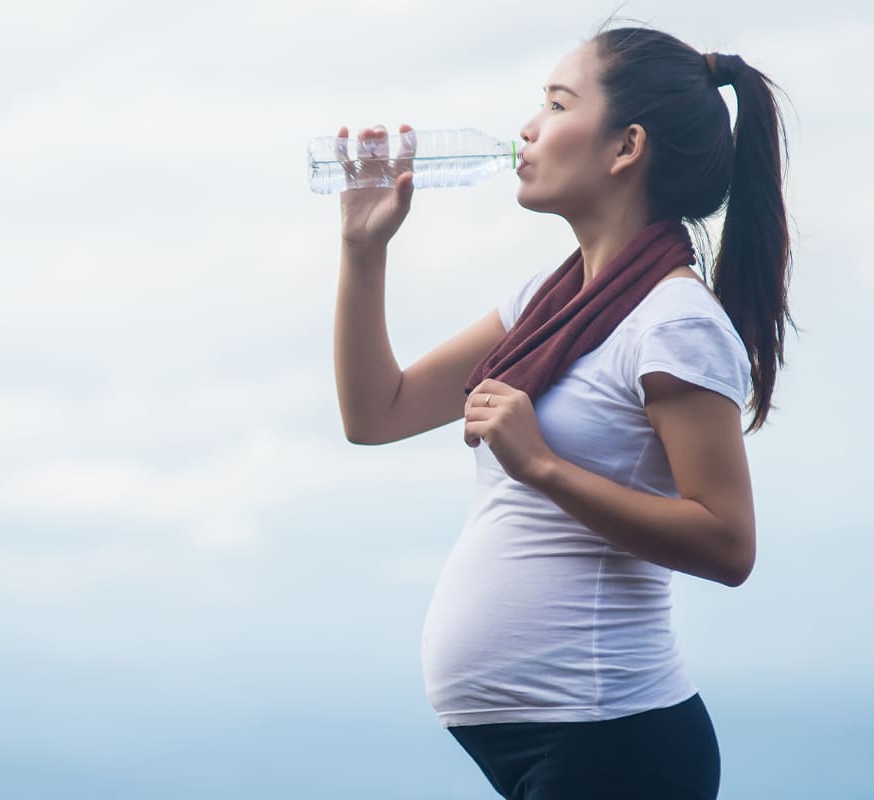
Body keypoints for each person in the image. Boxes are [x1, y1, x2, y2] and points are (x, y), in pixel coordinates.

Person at [332, 23, 792, 800]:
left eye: (555, 104)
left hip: (613, 743)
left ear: (626, 147)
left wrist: (543, 466)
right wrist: (361, 249)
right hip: (556, 744)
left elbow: (728, 543)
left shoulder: (673, 323)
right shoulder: (544, 305)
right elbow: (378, 413)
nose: (527, 128)